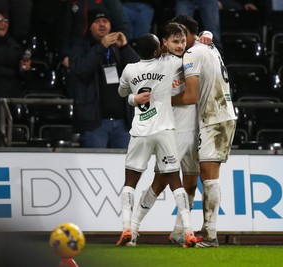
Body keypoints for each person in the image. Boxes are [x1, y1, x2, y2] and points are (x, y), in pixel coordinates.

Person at [116, 32, 197, 248]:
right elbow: (184, 57)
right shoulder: (169, 64)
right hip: (164, 131)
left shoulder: (129, 69)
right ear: (157, 50)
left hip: (140, 132)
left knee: (130, 182)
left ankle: (127, 229)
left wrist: (134, 98)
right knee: (175, 181)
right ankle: (188, 230)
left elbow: (123, 92)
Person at [171, 15, 237, 248]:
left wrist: (161, 99)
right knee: (205, 177)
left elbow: (189, 96)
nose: (178, 41)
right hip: (219, 115)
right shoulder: (208, 47)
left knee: (209, 179)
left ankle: (210, 235)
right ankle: (186, 231)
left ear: (187, 33)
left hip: (215, 118)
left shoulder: (192, 53)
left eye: (180, 35)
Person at [68, 8, 139, 148]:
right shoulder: (81, 47)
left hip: (123, 125)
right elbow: (82, 69)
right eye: (97, 21)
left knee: (122, 169)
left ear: (110, 26)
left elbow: (139, 71)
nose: (102, 24)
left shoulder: (118, 48)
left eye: (105, 21)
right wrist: (101, 46)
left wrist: (125, 47)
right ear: (90, 26)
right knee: (93, 167)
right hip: (95, 125)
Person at [60, 0, 129, 69]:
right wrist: (65, 54)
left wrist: (115, 49)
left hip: (105, 52)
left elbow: (122, 28)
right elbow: (66, 29)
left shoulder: (111, 2)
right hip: (78, 51)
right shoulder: (73, 2)